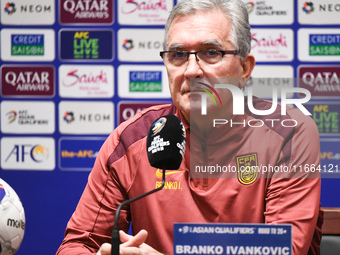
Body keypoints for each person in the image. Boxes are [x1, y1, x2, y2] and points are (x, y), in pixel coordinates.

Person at [56, 0, 323, 254]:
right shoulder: (131, 141)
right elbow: (76, 246)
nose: (192, 70)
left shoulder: (289, 134)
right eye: (178, 55)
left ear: (244, 68)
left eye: (211, 53)